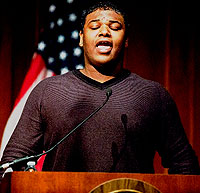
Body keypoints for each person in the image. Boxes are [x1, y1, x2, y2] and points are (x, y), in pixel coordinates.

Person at [0, 1, 199, 179]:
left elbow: (185, 167)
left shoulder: (153, 95)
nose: (104, 31)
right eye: (94, 26)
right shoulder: (48, 90)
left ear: (127, 40)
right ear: (80, 38)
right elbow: (12, 162)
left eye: (115, 27)